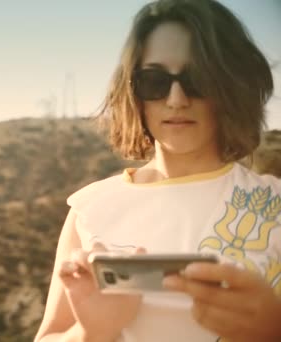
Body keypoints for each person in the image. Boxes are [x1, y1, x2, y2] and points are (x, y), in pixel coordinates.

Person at [34, 0, 281, 341]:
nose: (176, 99)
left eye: (198, 79)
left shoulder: (274, 203)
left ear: (231, 86)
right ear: (133, 91)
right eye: (155, 81)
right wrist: (91, 330)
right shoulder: (89, 209)